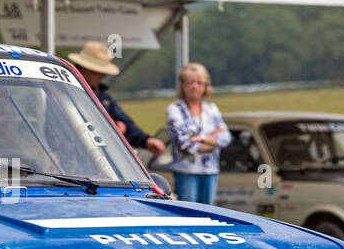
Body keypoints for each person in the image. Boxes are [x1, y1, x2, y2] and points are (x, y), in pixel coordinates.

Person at [67, 41, 166, 156]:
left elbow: (126, 122)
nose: (103, 76)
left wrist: (146, 141)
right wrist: (112, 127)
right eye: (99, 72)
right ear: (85, 69)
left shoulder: (103, 97)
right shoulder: (66, 92)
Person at [163, 62, 231, 203]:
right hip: (186, 172)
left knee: (209, 214)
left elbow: (226, 138)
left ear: (206, 86)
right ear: (182, 85)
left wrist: (201, 138)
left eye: (199, 82)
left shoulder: (211, 109)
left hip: (210, 171)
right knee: (189, 214)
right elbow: (186, 145)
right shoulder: (175, 109)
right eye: (190, 82)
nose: (195, 86)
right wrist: (213, 140)